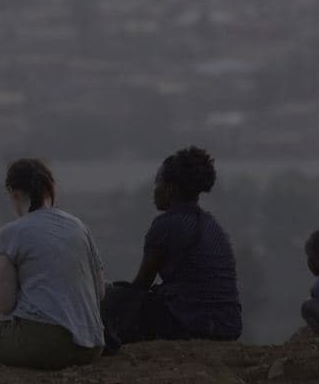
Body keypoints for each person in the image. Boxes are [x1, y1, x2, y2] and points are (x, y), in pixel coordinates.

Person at [0, 158, 106, 370]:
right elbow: (100, 292)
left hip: (45, 346)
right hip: (91, 346)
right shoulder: (78, 226)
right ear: (49, 189)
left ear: (14, 193)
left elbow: (5, 305)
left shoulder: (11, 233)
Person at [101, 146, 241, 350]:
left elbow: (141, 284)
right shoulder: (211, 224)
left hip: (192, 324)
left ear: (171, 189)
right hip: (229, 325)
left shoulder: (165, 225)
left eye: (158, 181)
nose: (154, 188)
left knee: (114, 296)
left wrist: (110, 293)